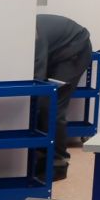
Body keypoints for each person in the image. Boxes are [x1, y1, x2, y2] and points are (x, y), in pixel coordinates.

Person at [33, 13, 93, 180]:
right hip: (57, 52)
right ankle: (41, 157)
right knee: (40, 104)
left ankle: (58, 162)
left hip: (75, 50)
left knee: (50, 105)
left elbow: (37, 75)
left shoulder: (34, 34)